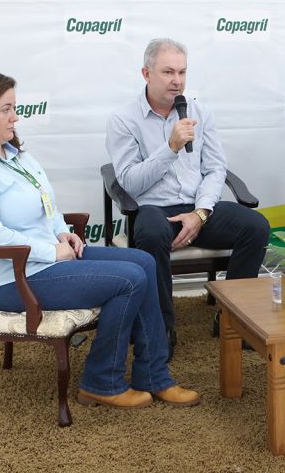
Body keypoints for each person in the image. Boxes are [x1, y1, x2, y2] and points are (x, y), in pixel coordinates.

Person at [0, 72, 200, 409]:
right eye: (6, 109)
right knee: (129, 280)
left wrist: (62, 231)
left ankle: (154, 376)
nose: (15, 116)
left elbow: (47, 205)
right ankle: (102, 381)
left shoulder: (13, 155)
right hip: (11, 279)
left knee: (144, 262)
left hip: (45, 259)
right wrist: (52, 251)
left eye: (14, 107)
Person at [106, 38, 270, 346]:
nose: (177, 81)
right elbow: (129, 183)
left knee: (256, 226)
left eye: (182, 72)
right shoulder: (123, 120)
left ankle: (232, 320)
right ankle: (160, 329)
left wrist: (201, 212)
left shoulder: (199, 111)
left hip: (198, 208)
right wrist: (170, 148)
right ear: (146, 73)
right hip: (154, 211)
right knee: (152, 234)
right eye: (168, 72)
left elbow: (215, 169)